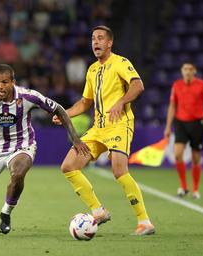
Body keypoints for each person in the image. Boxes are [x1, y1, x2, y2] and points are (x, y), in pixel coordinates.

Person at [0, 64, 89, 234]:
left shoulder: (27, 96)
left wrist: (75, 138)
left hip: (22, 145)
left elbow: (58, 109)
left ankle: (6, 213)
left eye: (4, 82)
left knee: (17, 173)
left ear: (13, 82)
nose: (0, 86)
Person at [53, 25, 155, 235]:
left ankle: (144, 222)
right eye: (93, 39)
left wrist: (121, 102)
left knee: (119, 170)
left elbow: (138, 86)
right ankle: (98, 211)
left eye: (100, 38)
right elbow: (84, 102)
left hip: (119, 124)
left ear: (109, 43)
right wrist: (64, 114)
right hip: (98, 128)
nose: (96, 42)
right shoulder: (92, 69)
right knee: (69, 166)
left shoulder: (121, 62)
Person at [164, 62, 203, 199]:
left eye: (190, 69)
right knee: (177, 154)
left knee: (196, 158)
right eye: (185, 69)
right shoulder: (176, 85)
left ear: (195, 71)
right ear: (182, 71)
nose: (187, 71)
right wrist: (168, 126)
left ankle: (195, 189)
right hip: (180, 122)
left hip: (197, 123)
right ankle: (183, 186)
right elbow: (172, 106)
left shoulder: (202, 85)